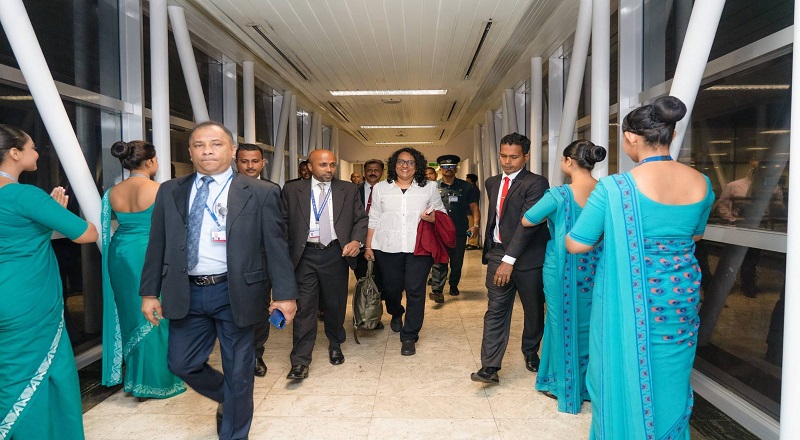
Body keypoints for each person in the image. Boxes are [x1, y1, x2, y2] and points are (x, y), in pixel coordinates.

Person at [566, 96, 714, 439]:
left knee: (619, 371)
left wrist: (617, 233)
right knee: (672, 375)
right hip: (680, 297)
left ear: (631, 137)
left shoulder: (615, 188)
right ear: (672, 135)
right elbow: (696, 234)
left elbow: (577, 243)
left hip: (630, 300)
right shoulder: (701, 182)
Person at [139, 121, 298, 439]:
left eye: (216, 144)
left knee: (239, 370)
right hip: (186, 291)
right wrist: (149, 292)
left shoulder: (261, 192)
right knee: (181, 363)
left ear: (232, 150)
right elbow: (157, 242)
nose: (207, 151)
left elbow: (276, 246)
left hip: (236, 291)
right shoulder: (170, 190)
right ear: (190, 152)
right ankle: (232, 398)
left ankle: (235, 431)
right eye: (199, 145)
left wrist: (284, 294)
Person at [0, 124, 98, 439]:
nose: (37, 153)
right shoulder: (25, 195)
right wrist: (53, 213)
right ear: (14, 153)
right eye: (31, 147)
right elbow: (86, 233)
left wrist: (45, 219)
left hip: (9, 299)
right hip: (26, 297)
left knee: (12, 371)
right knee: (31, 376)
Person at [520, 140, 606, 413]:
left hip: (562, 268)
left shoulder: (559, 195)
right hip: (595, 268)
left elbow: (528, 219)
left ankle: (561, 384)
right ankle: (587, 386)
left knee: (560, 324)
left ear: (569, 161)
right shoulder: (605, 191)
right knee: (591, 325)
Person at [101, 140, 186, 399]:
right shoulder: (160, 189)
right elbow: (174, 230)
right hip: (149, 253)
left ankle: (134, 379)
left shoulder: (112, 192)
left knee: (130, 314)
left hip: (120, 254)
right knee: (157, 313)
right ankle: (157, 381)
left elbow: (106, 227)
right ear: (150, 161)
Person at [282, 149, 367, 380]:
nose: (329, 169)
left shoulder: (348, 189)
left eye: (332, 165)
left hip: (335, 253)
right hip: (304, 255)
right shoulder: (292, 190)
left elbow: (361, 219)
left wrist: (356, 241)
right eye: (323, 165)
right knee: (305, 308)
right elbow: (283, 222)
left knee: (335, 303)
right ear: (310, 167)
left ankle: (335, 344)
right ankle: (300, 361)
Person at [471, 132, 549, 384]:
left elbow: (527, 225)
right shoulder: (492, 182)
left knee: (533, 310)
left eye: (513, 157)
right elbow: (499, 219)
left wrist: (509, 260)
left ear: (526, 157)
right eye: (503, 156)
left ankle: (530, 350)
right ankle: (489, 366)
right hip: (497, 253)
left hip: (528, 258)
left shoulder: (536, 183)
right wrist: (499, 255)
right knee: (496, 310)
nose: (507, 161)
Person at [365, 148, 445, 356]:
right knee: (391, 289)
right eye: (401, 162)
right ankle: (396, 311)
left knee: (415, 291)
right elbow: (374, 217)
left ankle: (409, 335)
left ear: (417, 166)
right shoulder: (381, 188)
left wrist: (432, 218)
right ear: (394, 165)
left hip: (419, 248)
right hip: (387, 247)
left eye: (410, 162)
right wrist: (369, 245)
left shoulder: (429, 187)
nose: (405, 166)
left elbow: (441, 213)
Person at [234, 143, 271, 377]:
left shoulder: (270, 190)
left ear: (262, 163)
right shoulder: (225, 190)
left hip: (260, 262)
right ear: (236, 162)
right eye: (244, 161)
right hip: (231, 263)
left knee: (259, 310)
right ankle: (239, 355)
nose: (250, 166)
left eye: (255, 161)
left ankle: (257, 354)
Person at [428, 154, 480, 302]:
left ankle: (453, 284)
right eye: (445, 167)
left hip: (459, 230)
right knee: (439, 261)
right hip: (439, 231)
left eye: (451, 166)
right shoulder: (433, 187)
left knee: (457, 262)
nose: (448, 169)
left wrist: (476, 225)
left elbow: (474, 208)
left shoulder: (467, 187)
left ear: (456, 169)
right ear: (440, 169)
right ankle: (437, 290)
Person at [353, 159, 386, 321]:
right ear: (364, 172)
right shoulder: (353, 191)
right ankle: (365, 313)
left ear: (382, 173)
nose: (373, 172)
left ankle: (375, 312)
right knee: (362, 279)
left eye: (376, 170)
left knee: (380, 279)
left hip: (381, 242)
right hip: (359, 242)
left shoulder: (388, 191)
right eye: (369, 170)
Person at [465, 173, 481, 249]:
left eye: (467, 178)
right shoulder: (473, 188)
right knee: (469, 227)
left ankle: (473, 243)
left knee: (472, 227)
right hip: (468, 211)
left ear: (469, 179)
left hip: (471, 212)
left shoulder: (472, 189)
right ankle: (470, 242)